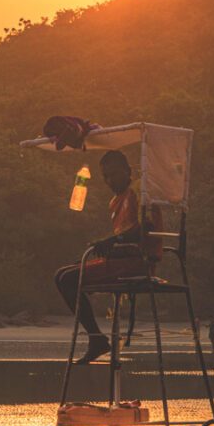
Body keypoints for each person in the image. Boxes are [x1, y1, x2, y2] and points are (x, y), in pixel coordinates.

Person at [54, 150, 159, 365]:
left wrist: (112, 241)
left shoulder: (140, 190)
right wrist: (109, 244)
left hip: (138, 263)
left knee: (68, 280)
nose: (109, 181)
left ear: (128, 171)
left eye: (113, 174)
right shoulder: (114, 201)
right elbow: (124, 238)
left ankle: (96, 339)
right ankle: (97, 338)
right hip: (122, 260)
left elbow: (146, 227)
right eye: (105, 177)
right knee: (62, 274)